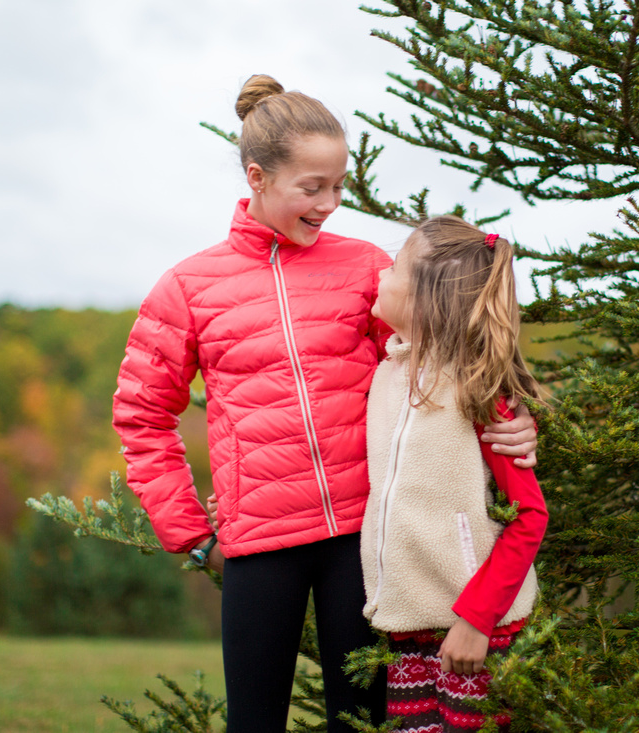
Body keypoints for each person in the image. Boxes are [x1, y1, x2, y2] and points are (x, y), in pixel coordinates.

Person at [111, 74, 538, 733]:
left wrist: (514, 422)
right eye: (312, 188)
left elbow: (453, 360)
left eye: (339, 185)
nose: (331, 202)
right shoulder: (188, 288)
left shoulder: (366, 268)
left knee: (361, 720)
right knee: (254, 721)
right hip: (260, 544)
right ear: (258, 177)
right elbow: (143, 415)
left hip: (361, 544)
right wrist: (194, 532)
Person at [359, 216, 548, 733]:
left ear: (427, 297)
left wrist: (476, 618)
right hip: (408, 625)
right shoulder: (388, 371)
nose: (380, 275)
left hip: (475, 630)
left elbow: (530, 517)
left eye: (394, 267)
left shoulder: (478, 390)